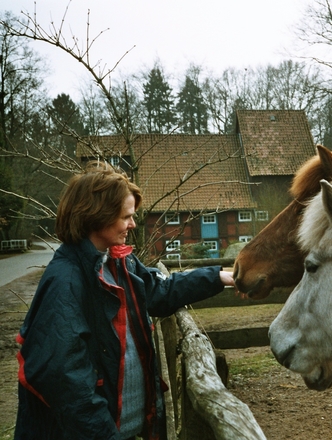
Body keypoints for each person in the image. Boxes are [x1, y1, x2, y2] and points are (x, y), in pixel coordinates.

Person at [14, 161, 234, 440]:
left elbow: (158, 292)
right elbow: (66, 383)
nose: (133, 223)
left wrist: (219, 277)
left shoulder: (118, 261)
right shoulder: (65, 282)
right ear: (97, 215)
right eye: (125, 216)